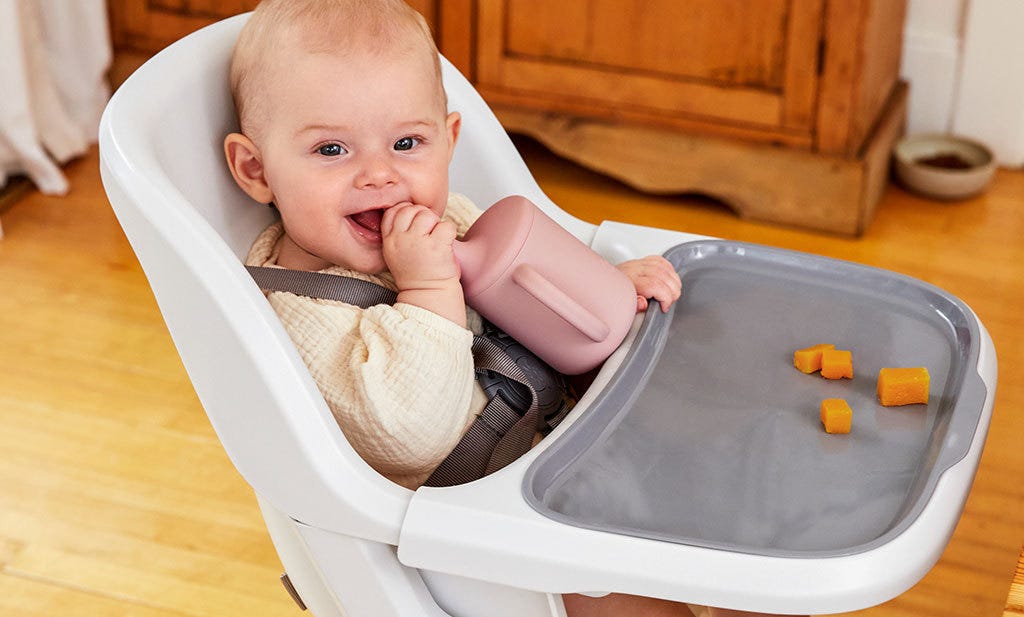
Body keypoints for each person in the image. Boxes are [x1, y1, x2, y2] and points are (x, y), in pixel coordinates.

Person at [223, 2, 793, 617]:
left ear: (449, 140)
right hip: (475, 537)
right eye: (332, 149)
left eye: (407, 142)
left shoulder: (443, 222)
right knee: (626, 595)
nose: (380, 175)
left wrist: (603, 287)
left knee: (736, 523)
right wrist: (428, 291)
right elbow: (409, 434)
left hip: (561, 454)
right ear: (257, 170)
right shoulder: (293, 314)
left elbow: (535, 287)